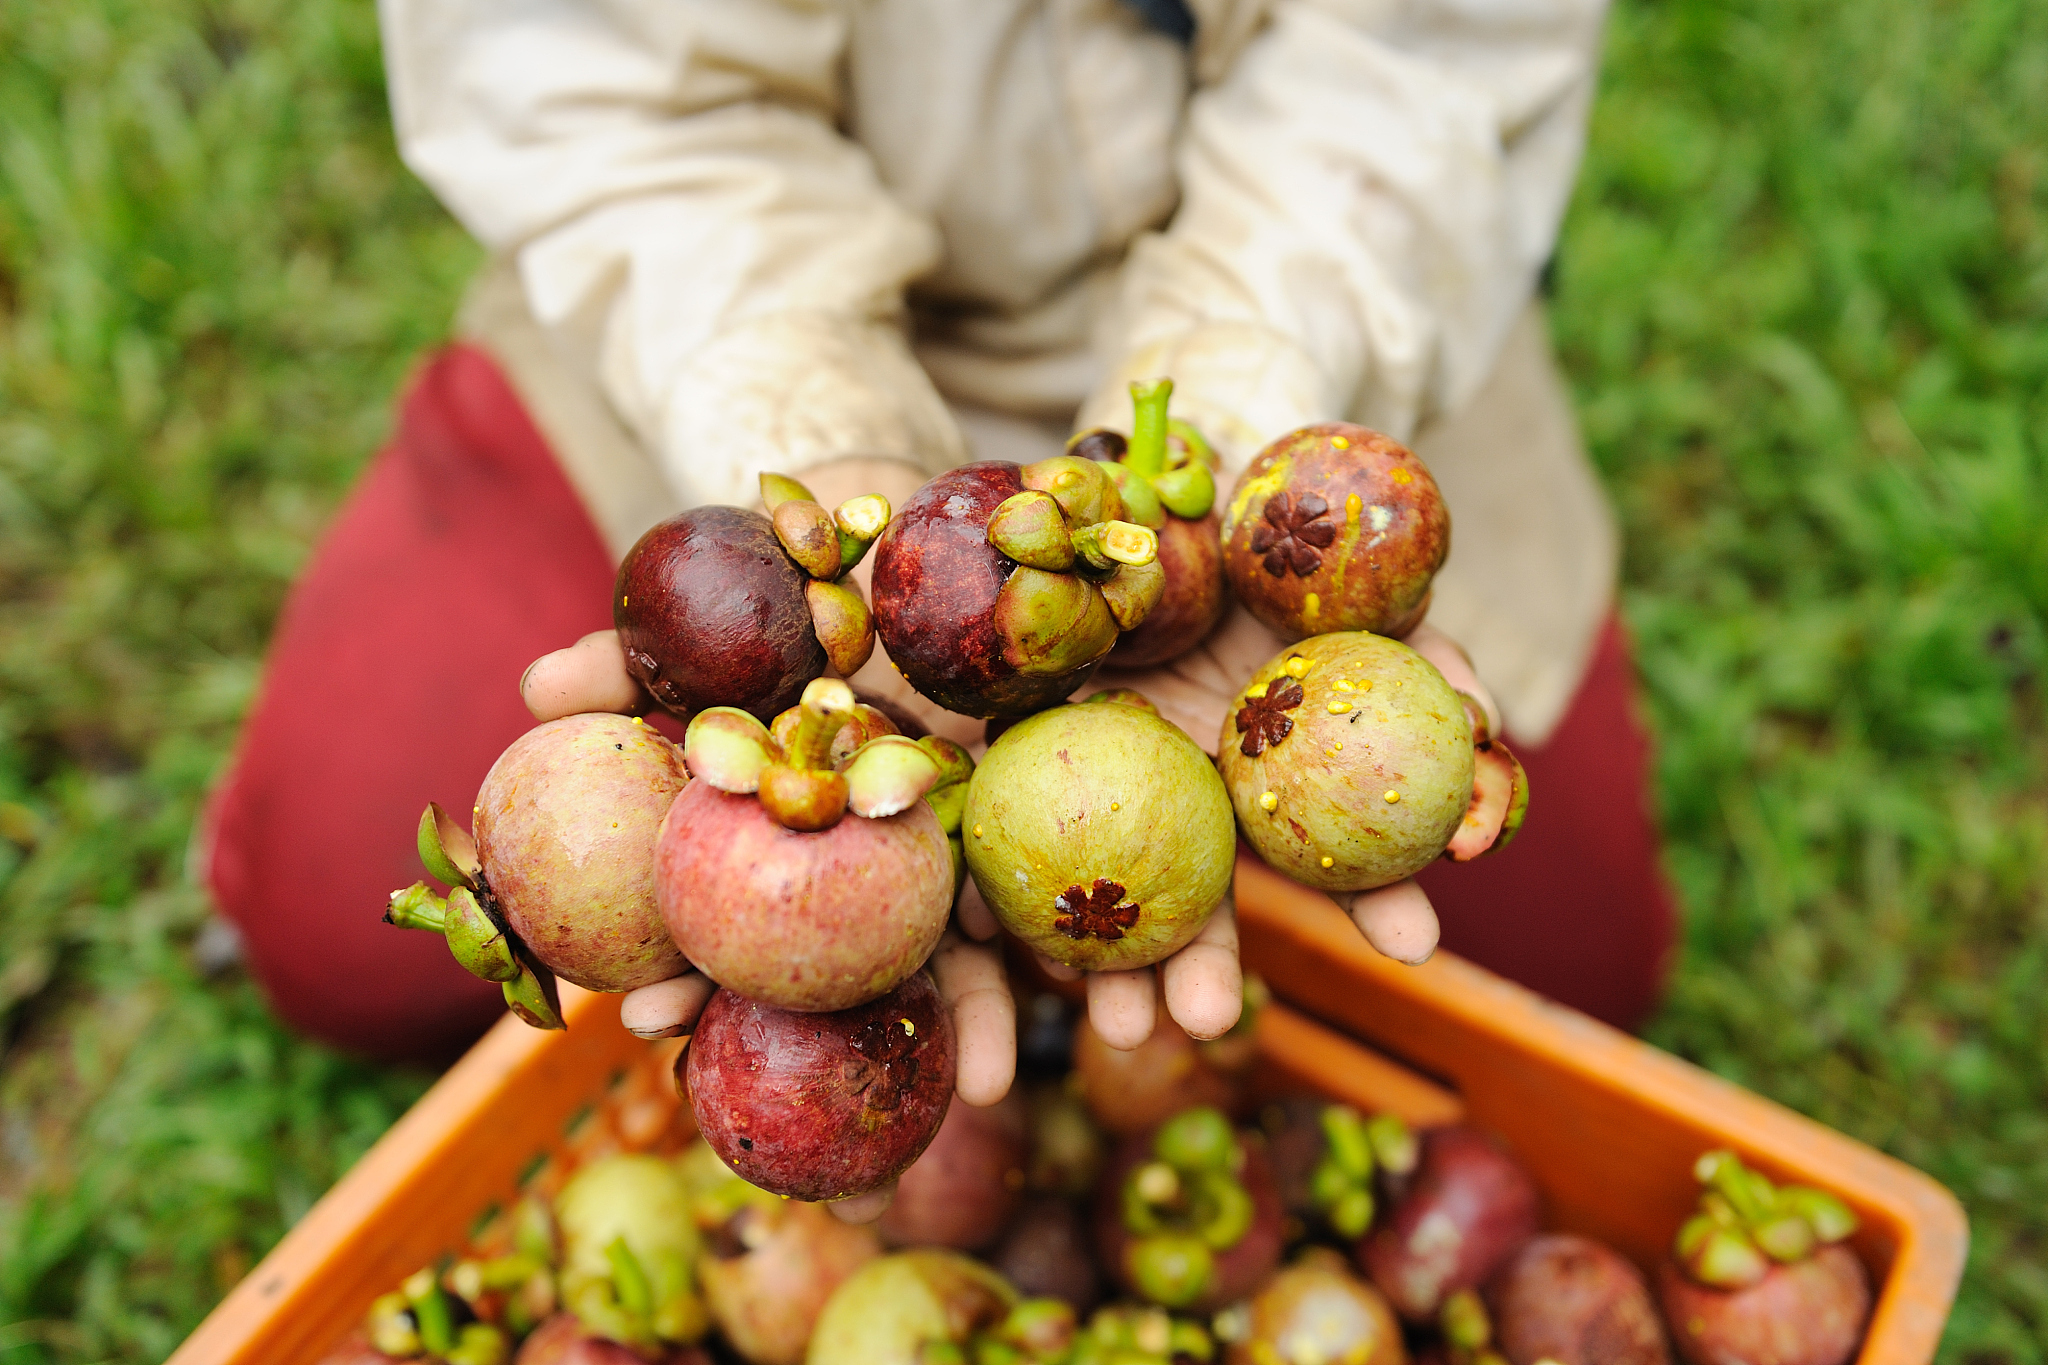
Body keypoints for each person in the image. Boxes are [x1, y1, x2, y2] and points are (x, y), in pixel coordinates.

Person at [202, 0, 1674, 1158]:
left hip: (1284, 362)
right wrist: (818, 439)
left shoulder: (1229, 435)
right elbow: (595, 92)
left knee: (1572, 979)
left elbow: (1415, 72)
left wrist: (1229, 408)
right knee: (337, 921)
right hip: (721, 333)